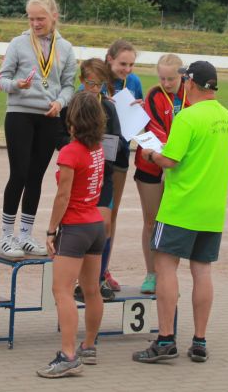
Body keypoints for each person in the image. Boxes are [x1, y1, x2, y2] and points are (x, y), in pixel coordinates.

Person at [133, 61, 228, 365]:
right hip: (212, 209)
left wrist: (150, 153)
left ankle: (166, 339)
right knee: (202, 271)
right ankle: (199, 341)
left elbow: (170, 160)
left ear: (190, 83)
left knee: (165, 267)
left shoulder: (188, 117)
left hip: (181, 207)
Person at [0, 0, 76, 257]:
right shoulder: (18, 43)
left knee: (36, 177)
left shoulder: (66, 48)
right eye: (31, 18)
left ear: (54, 16)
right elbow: (1, 80)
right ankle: (6, 235)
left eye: (40, 18)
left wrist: (61, 103)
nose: (35, 23)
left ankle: (26, 234)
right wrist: (16, 84)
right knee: (19, 173)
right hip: (20, 114)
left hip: (49, 117)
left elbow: (68, 85)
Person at [37, 92, 107, 378]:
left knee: (62, 291)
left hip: (75, 227)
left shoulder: (70, 151)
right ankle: (88, 346)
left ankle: (68, 355)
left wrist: (51, 230)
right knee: (91, 290)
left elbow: (62, 196)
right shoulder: (98, 148)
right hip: (95, 225)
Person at [132, 53, 188, 294]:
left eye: (171, 79)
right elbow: (154, 131)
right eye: (162, 78)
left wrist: (172, 162)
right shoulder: (154, 95)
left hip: (179, 166)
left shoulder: (190, 95)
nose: (166, 83)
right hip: (151, 164)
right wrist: (165, 162)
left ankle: (168, 277)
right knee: (151, 222)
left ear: (182, 76)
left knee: (172, 224)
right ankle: (151, 274)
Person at [74, 58, 120, 302]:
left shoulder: (109, 107)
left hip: (104, 175)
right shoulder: (73, 103)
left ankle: (97, 279)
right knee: (77, 229)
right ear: (82, 80)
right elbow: (60, 136)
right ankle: (77, 280)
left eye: (99, 85)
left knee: (104, 226)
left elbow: (118, 140)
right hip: (78, 175)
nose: (95, 89)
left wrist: (105, 151)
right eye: (91, 83)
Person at [100, 39, 142, 291]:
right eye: (122, 64)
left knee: (111, 214)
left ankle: (103, 269)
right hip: (95, 153)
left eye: (131, 65)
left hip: (120, 153)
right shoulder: (95, 77)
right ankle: (81, 269)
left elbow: (140, 116)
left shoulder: (134, 82)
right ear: (110, 59)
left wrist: (140, 109)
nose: (127, 69)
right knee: (90, 212)